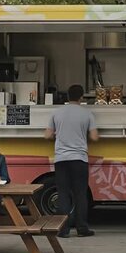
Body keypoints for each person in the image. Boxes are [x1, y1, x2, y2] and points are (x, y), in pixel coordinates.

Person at [45, 84, 99, 238]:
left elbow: (47, 135)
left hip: (61, 159)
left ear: (67, 97)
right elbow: (95, 137)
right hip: (79, 159)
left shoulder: (56, 113)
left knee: (63, 193)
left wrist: (59, 137)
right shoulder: (87, 114)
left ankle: (63, 229)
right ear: (81, 97)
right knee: (80, 194)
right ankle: (82, 228)